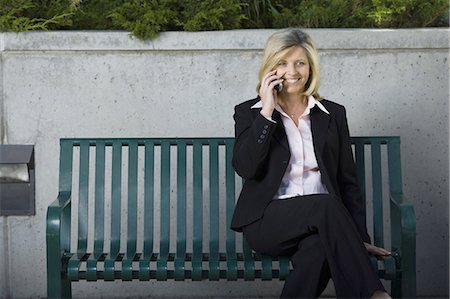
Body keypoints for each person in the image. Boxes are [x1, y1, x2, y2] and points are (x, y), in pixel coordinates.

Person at [230, 28, 392, 299]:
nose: (291, 71)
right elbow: (246, 168)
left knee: (319, 250)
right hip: (267, 221)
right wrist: (267, 112)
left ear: (310, 67)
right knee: (325, 203)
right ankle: (376, 295)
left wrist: (357, 239)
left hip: (322, 224)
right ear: (270, 67)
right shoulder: (249, 112)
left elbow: (346, 181)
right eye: (282, 63)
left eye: (300, 63)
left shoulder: (333, 114)